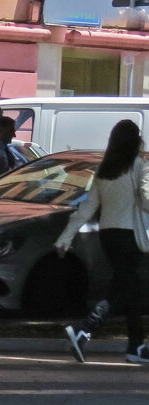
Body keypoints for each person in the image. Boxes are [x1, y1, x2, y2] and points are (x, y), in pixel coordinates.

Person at [58, 119, 149, 365]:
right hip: (130, 236)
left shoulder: (106, 170)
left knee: (131, 290)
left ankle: (136, 346)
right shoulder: (142, 165)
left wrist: (66, 237)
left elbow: (87, 207)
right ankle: (85, 329)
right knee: (124, 290)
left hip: (108, 235)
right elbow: (147, 199)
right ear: (136, 140)